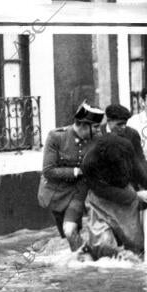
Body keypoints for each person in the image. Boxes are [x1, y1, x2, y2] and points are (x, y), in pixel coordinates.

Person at [37, 102, 104, 251]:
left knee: (69, 230)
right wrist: (77, 171)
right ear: (83, 125)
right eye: (96, 127)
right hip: (56, 193)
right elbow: (48, 170)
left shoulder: (98, 138)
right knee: (67, 235)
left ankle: (85, 260)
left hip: (79, 192)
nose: (99, 130)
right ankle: (81, 258)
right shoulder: (56, 137)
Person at [81, 134, 147, 259]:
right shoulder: (88, 163)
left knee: (136, 246)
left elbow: (137, 169)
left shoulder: (126, 146)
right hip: (100, 201)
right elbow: (101, 190)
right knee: (102, 245)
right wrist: (136, 196)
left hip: (125, 198)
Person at [100, 104, 147, 189]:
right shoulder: (99, 133)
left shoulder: (132, 134)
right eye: (119, 124)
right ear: (109, 121)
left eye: (125, 124)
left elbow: (140, 160)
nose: (123, 127)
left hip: (128, 184)